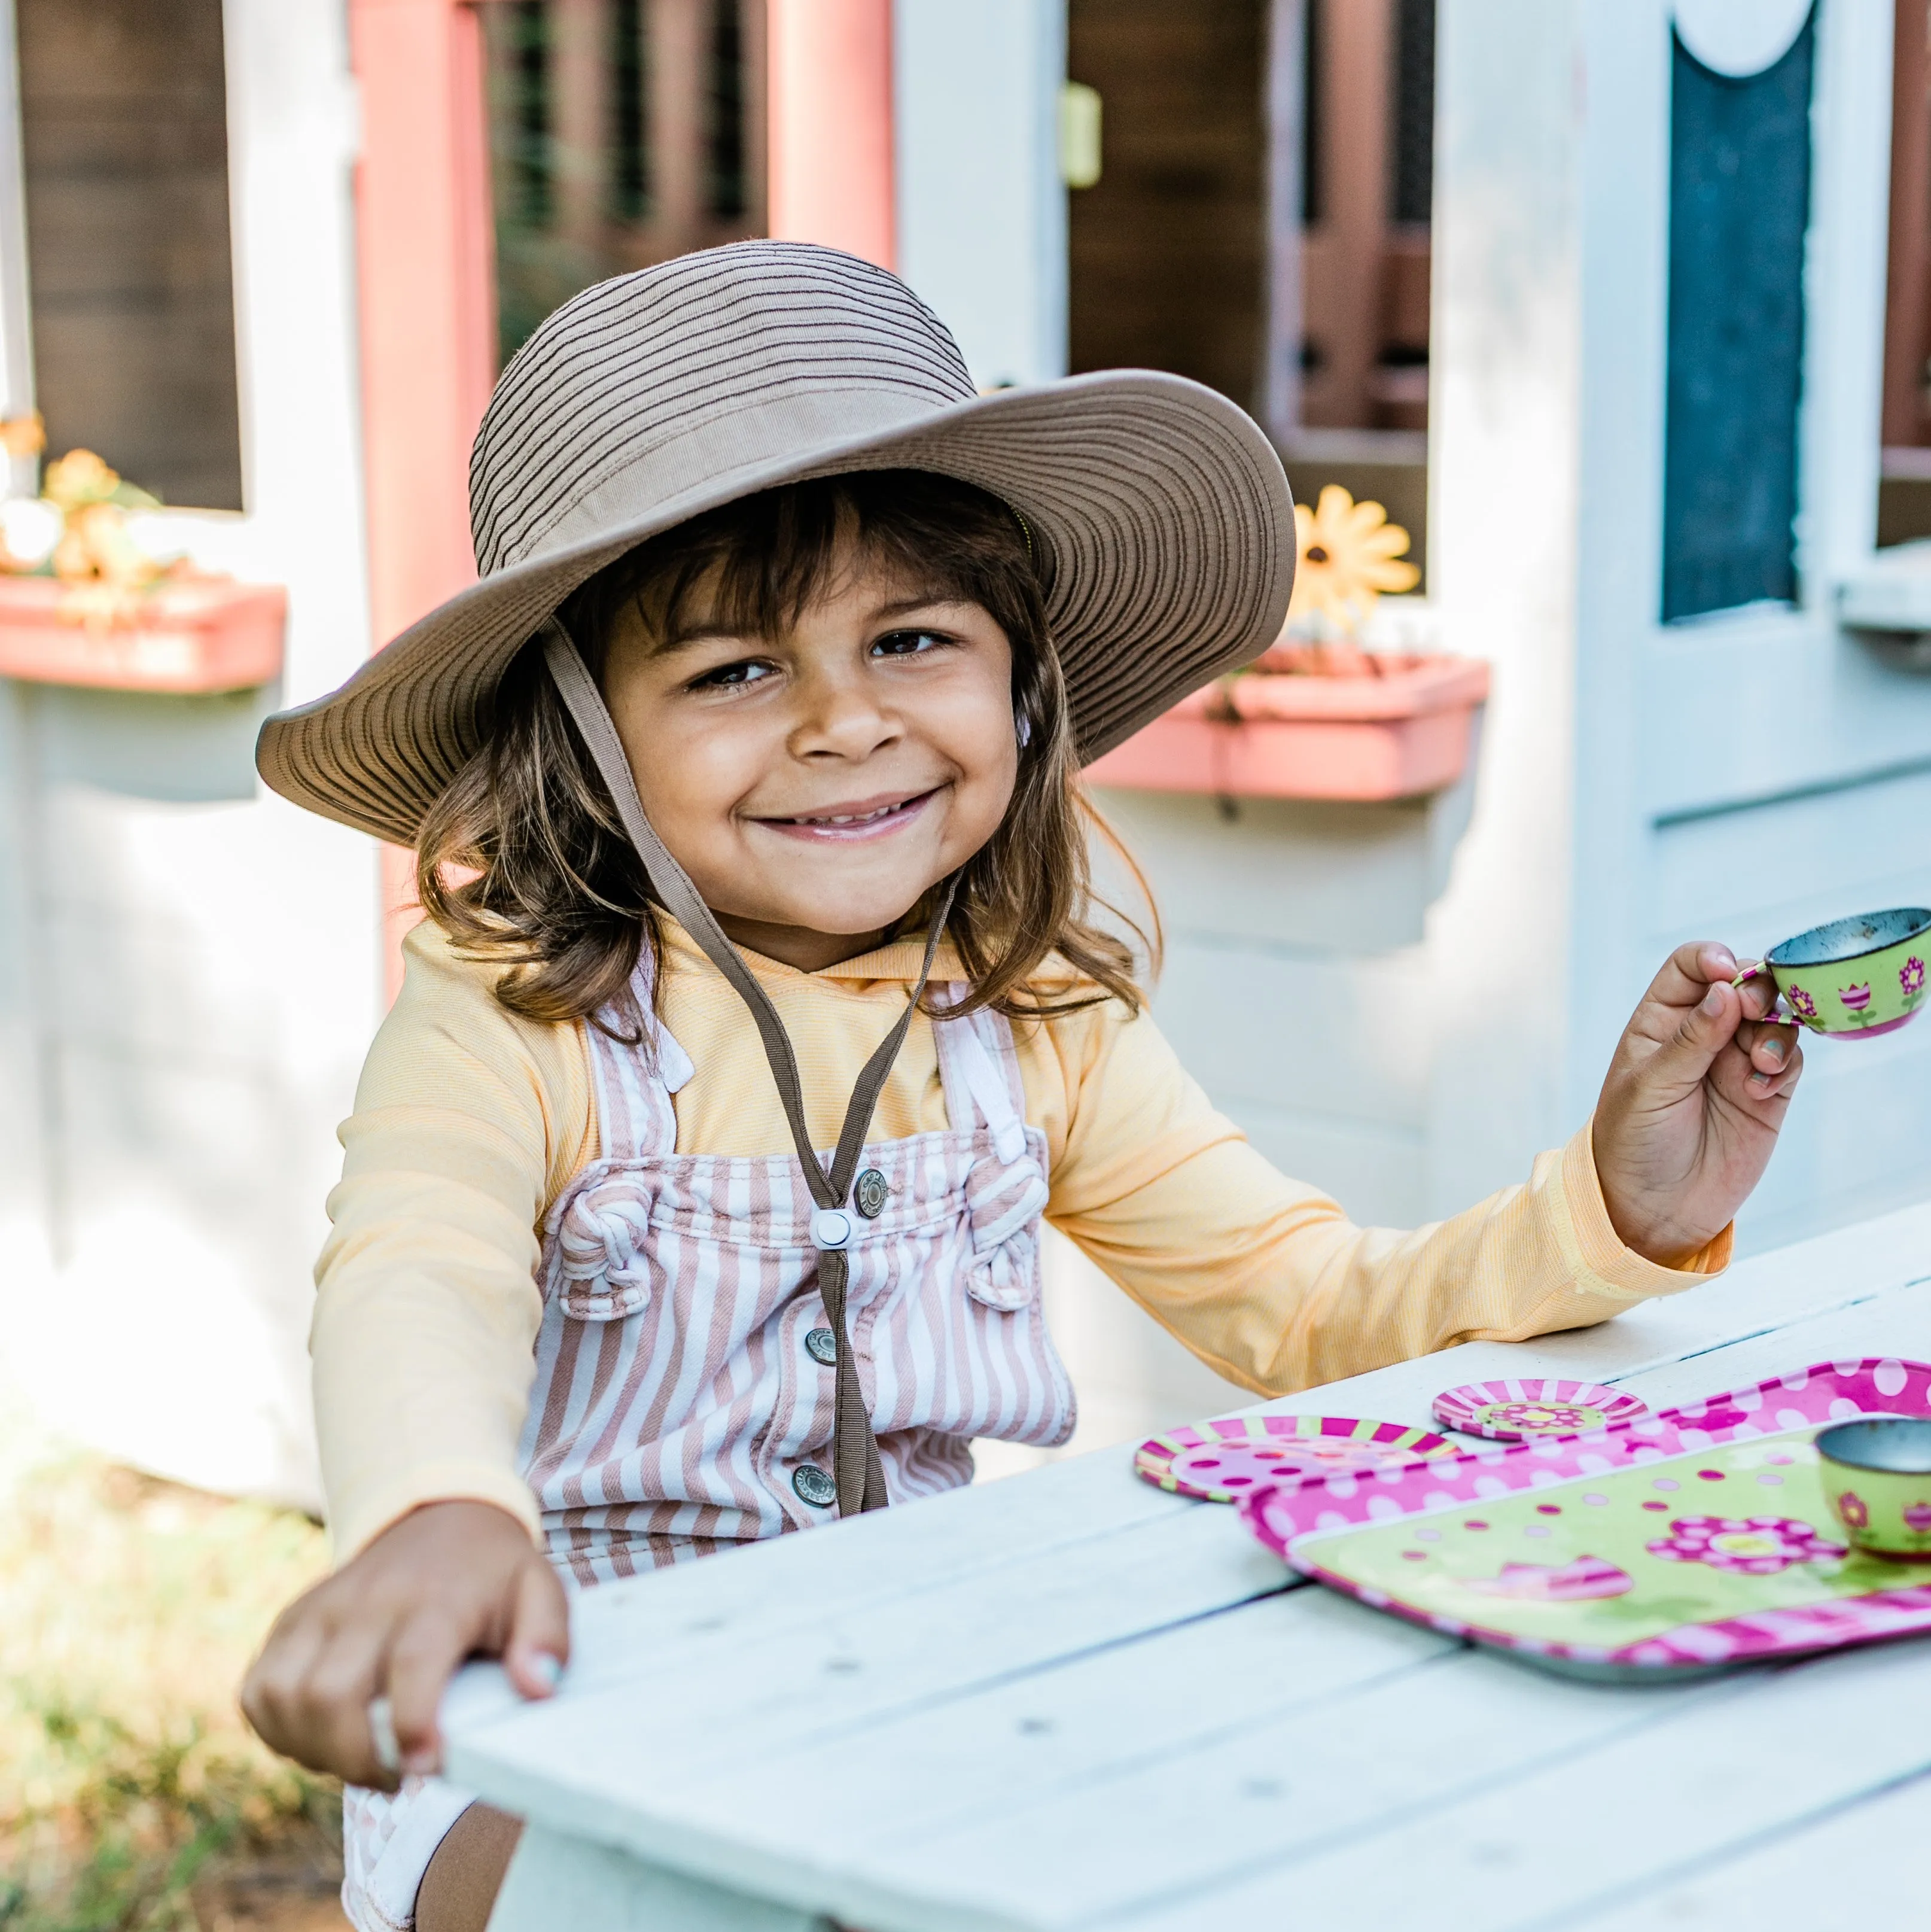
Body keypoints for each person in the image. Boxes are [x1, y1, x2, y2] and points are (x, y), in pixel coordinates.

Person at [240, 242, 1799, 1932]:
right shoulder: (514, 1017)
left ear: (1019, 682)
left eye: (911, 638)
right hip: (536, 1711)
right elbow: (415, 1269)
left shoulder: (1031, 1019)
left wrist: (1616, 1206)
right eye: (732, 669)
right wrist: (432, 1513)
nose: (846, 724)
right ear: (587, 740)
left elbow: (1312, 1309)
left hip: (903, 1692)